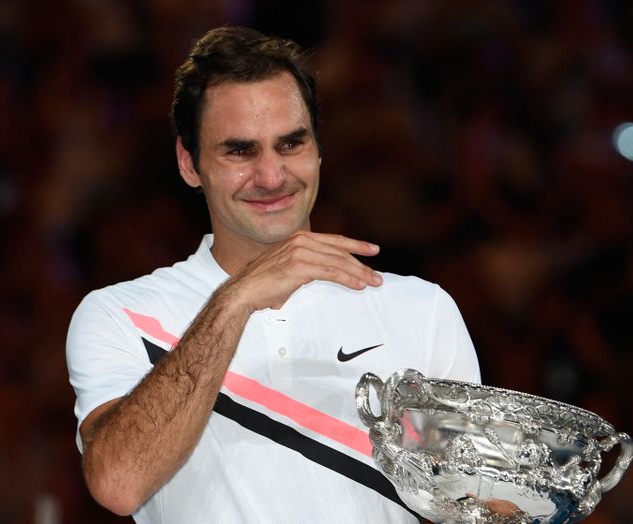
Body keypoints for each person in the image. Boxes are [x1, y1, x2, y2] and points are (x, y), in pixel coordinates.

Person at [66, 26, 481, 523]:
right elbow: (118, 483)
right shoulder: (120, 314)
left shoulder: (422, 310)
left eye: (290, 144)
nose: (271, 176)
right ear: (188, 162)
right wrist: (236, 299)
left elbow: (464, 500)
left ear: (319, 150)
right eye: (240, 151)